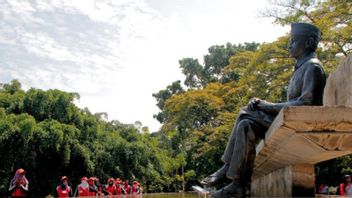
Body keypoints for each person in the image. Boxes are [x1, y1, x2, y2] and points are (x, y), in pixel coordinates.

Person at [201, 22, 326, 198]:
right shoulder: (300, 68)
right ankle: (237, 185)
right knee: (246, 125)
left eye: (293, 41)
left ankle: (226, 168)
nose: (289, 45)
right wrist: (266, 105)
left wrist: (266, 105)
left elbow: (305, 103)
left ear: (308, 43)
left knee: (246, 111)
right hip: (293, 119)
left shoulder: (313, 67)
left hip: (304, 122)